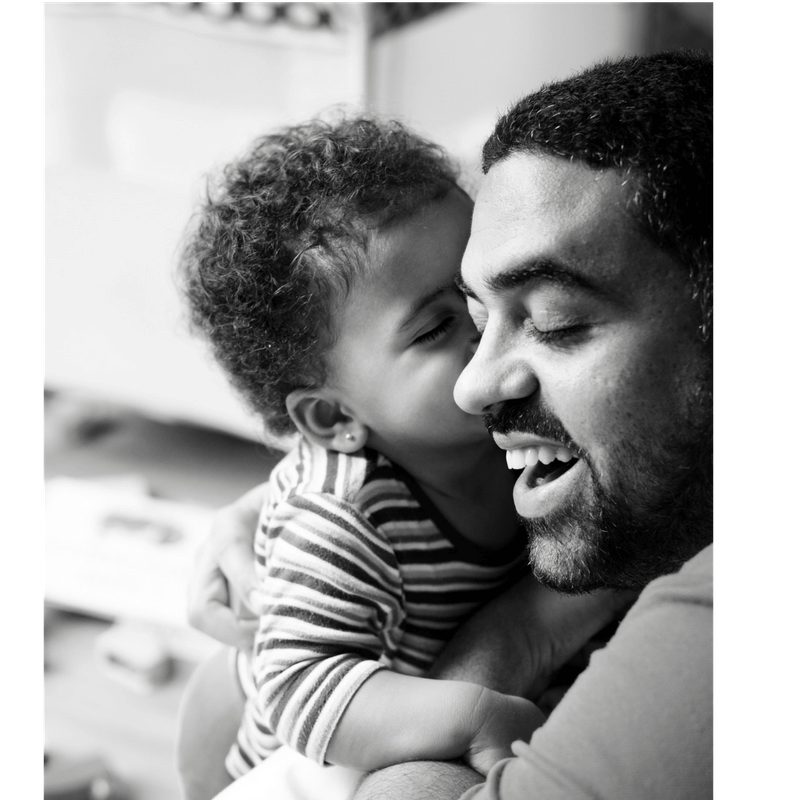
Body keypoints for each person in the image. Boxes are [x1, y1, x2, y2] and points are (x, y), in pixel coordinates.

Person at [189, 49, 714, 800]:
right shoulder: (342, 515)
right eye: (447, 324)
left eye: (554, 320)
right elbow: (301, 689)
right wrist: (473, 711)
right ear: (333, 416)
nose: (479, 378)